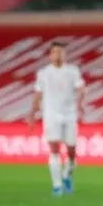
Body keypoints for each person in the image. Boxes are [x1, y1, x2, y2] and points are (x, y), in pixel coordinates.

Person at [28, 41, 85, 196]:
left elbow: (81, 88)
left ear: (65, 54)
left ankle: (67, 175)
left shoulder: (72, 71)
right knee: (54, 149)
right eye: (55, 52)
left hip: (69, 114)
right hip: (51, 115)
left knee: (72, 150)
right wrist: (32, 114)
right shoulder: (43, 73)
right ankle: (57, 185)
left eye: (61, 52)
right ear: (50, 55)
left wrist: (80, 102)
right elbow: (37, 94)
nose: (58, 55)